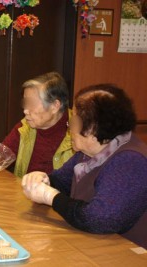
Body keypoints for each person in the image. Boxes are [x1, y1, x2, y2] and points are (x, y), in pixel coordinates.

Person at [21, 84, 147, 248]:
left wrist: (50, 197)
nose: (69, 129)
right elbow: (61, 182)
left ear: (93, 128)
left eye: (74, 122)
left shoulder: (131, 161)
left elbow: (99, 219)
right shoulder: (89, 151)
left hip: (127, 254)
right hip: (91, 244)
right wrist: (43, 179)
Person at [0, 72, 74, 178]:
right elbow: (2, 153)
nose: (25, 110)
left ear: (55, 106)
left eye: (31, 104)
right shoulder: (26, 127)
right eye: (25, 103)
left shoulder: (78, 131)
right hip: (26, 197)